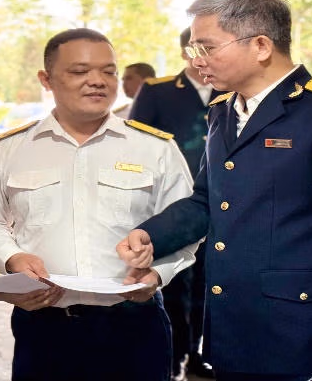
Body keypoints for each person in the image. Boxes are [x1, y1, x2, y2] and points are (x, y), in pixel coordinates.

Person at [116, 0, 312, 381]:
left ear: (261, 45)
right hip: (233, 327)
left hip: (301, 332)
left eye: (207, 47)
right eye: (194, 49)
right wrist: (152, 235)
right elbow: (207, 200)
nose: (197, 60)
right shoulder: (222, 111)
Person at [0, 28, 200, 381]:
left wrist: (158, 273)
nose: (97, 81)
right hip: (44, 324)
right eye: (79, 71)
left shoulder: (154, 148)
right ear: (46, 79)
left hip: (134, 324)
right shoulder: (9, 150)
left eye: (109, 71)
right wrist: (11, 257)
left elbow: (186, 224)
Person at [130, 27, 221, 380]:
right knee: (171, 284)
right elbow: (137, 146)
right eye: (198, 49)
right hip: (170, 208)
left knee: (207, 286)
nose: (205, 57)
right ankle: (172, 357)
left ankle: (196, 353)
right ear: (185, 52)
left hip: (220, 205)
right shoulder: (158, 91)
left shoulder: (231, 88)